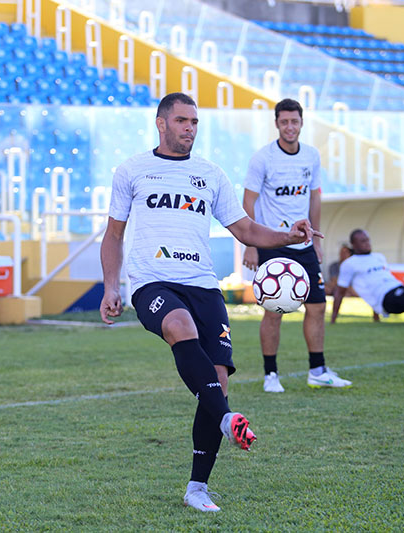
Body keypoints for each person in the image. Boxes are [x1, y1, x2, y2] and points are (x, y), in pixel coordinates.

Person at [99, 93, 321, 513]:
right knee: (179, 326)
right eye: (182, 120)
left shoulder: (210, 174)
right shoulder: (132, 170)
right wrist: (112, 286)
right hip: (153, 282)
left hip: (203, 284)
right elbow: (113, 235)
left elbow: (246, 229)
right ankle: (227, 418)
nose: (190, 128)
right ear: (161, 123)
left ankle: (197, 488)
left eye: (195, 122)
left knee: (217, 380)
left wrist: (287, 236)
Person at [241, 98, 351, 394]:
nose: (289, 127)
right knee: (274, 310)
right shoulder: (263, 158)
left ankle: (318, 371)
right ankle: (270, 375)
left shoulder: (311, 156)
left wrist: (315, 239)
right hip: (272, 243)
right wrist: (250, 244)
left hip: (303, 243)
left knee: (317, 306)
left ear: (302, 123)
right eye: (284, 122)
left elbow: (314, 197)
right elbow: (248, 201)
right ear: (277, 124)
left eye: (294, 121)